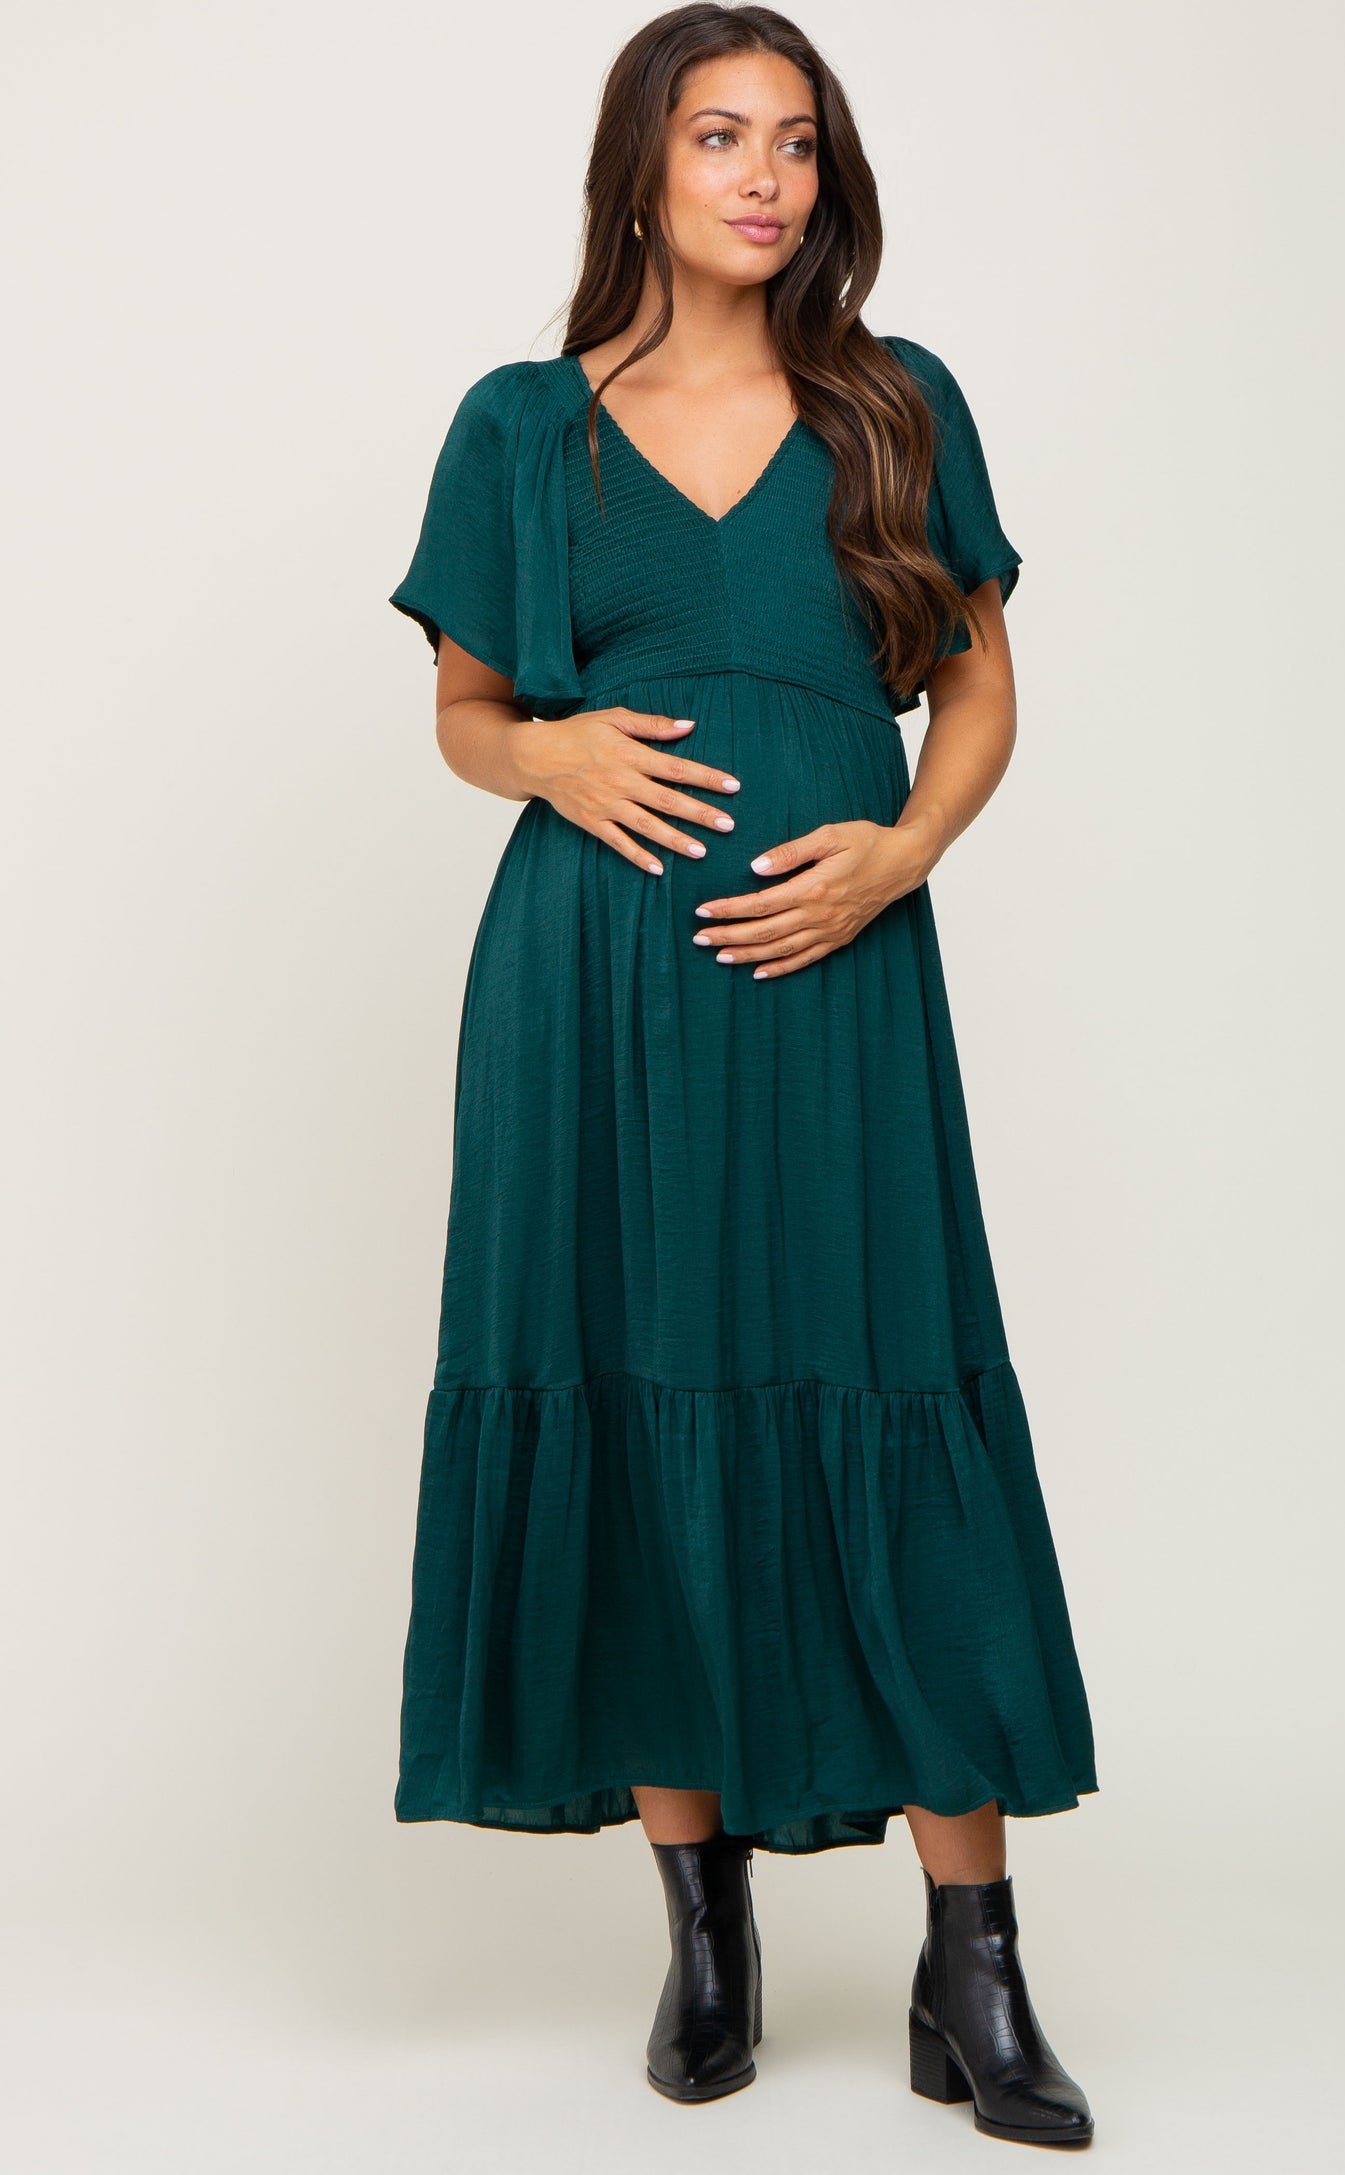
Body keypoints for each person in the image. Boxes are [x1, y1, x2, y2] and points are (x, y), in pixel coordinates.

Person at [388, 3, 1099, 2145]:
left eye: (794, 141)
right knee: (631, 1390)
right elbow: (466, 713)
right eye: (718, 136)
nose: (763, 176)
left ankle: (973, 1964)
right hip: (587, 989)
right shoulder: (523, 426)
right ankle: (705, 1936)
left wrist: (899, 850)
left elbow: (976, 688)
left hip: (835, 984)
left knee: (887, 1383)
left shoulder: (893, 402)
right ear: (641, 168)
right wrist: (544, 754)